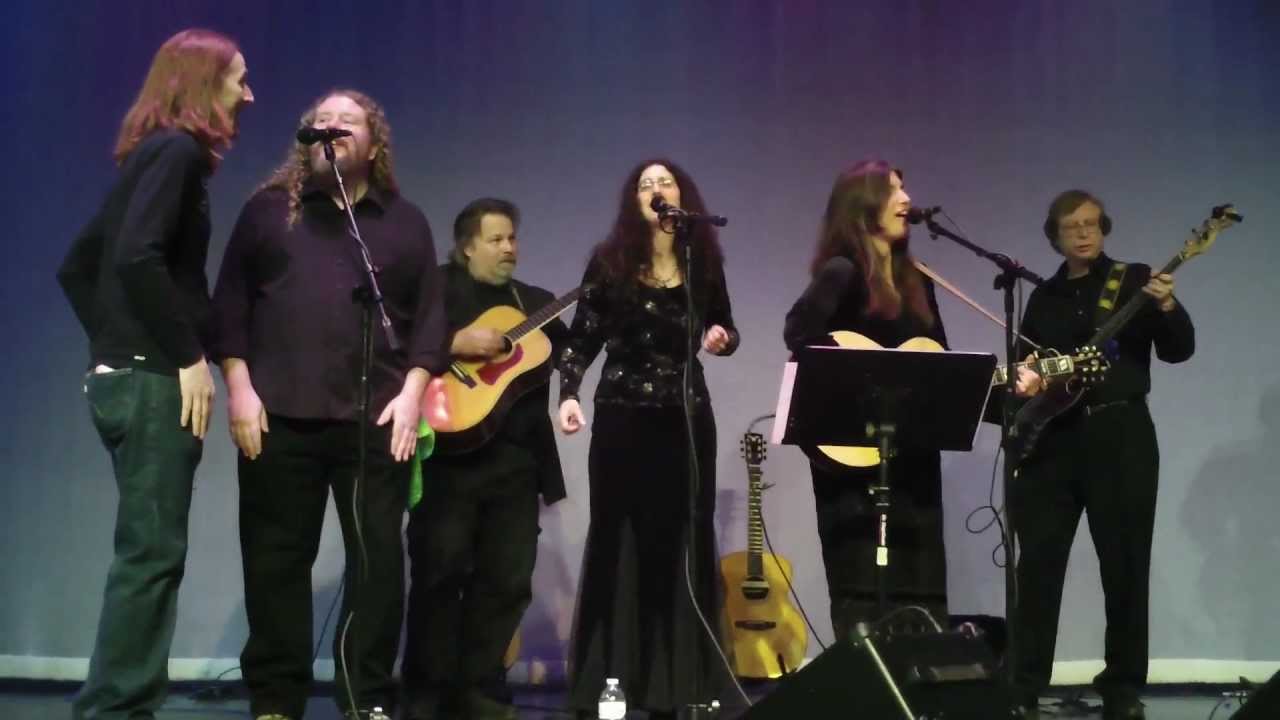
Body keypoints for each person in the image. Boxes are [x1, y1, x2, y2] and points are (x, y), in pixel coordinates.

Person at [209, 89, 449, 720]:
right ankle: (276, 700)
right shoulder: (268, 213)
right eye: (321, 122)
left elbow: (429, 319)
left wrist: (413, 394)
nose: (332, 129)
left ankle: (364, 697)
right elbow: (229, 306)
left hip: (375, 419)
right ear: (304, 139)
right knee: (275, 562)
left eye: (348, 123)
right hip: (277, 415)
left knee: (376, 563)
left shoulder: (404, 222)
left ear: (375, 144)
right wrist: (239, 387)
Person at [55, 28, 253, 720]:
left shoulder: (148, 157)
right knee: (152, 555)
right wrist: (179, 358)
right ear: (204, 83)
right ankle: (114, 710)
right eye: (239, 79)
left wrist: (114, 350)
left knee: (148, 552)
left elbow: (79, 266)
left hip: (123, 379)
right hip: (150, 384)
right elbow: (136, 258)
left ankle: (120, 705)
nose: (249, 94)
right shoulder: (176, 154)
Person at [556, 159, 738, 719]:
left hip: (685, 417)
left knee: (681, 538)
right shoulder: (610, 262)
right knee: (621, 540)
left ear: (683, 197)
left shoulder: (701, 260)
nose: (656, 191)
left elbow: (729, 329)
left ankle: (680, 681)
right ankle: (614, 678)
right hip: (623, 418)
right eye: (645, 185)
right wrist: (568, 394)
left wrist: (720, 337)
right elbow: (581, 338)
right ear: (633, 202)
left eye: (666, 183)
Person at [1009, 190, 1194, 720]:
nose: (1085, 233)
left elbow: (1179, 350)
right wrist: (1025, 382)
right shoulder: (1043, 297)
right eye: (1073, 227)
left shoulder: (1135, 281)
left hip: (1122, 435)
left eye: (1092, 224)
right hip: (1056, 444)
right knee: (1039, 565)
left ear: (1104, 228)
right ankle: (1023, 686)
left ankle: (1122, 689)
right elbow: (1030, 372)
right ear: (1056, 237)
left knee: (1126, 564)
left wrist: (1166, 305)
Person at [402, 198, 569, 720]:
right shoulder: (436, 290)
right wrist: (454, 342)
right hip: (447, 463)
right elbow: (396, 337)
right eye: (496, 239)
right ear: (466, 246)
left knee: (506, 580)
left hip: (517, 464)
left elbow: (575, 350)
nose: (508, 248)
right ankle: (427, 693)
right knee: (438, 575)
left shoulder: (535, 301)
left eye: (513, 239)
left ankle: (481, 689)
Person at [782, 160, 952, 642]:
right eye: (893, 190)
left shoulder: (919, 280)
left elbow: (938, 361)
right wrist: (865, 370)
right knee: (861, 579)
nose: (906, 200)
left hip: (912, 456)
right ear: (864, 208)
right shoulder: (842, 272)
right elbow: (799, 333)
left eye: (905, 187)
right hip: (852, 459)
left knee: (919, 580)